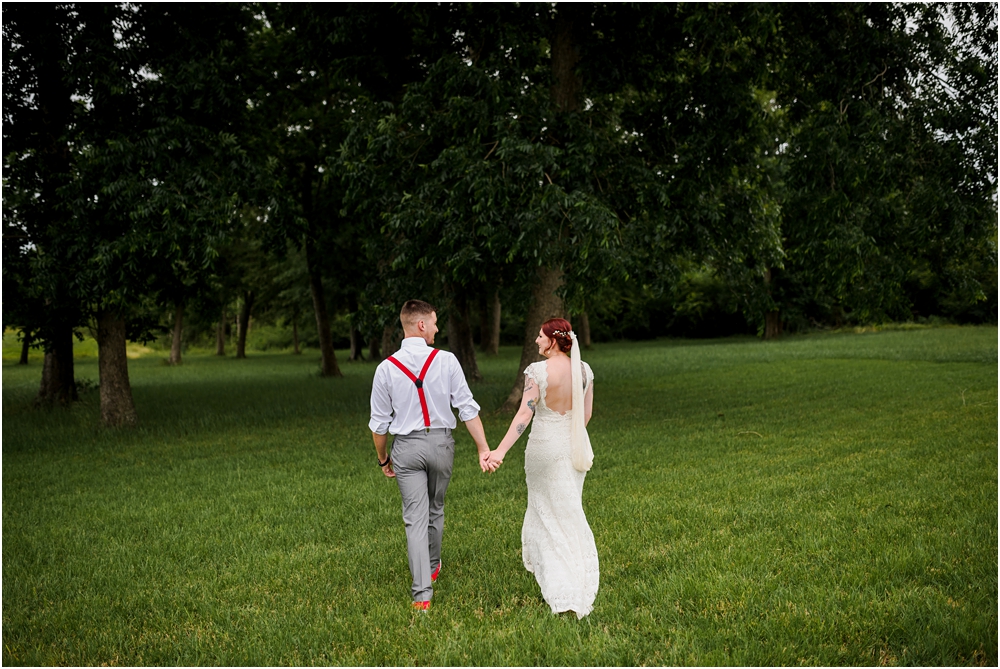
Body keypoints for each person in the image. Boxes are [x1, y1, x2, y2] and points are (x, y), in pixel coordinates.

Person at [369, 300, 495, 611]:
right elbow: (467, 408)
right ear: (421, 325)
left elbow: (379, 425)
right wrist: (482, 447)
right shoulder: (448, 361)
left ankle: (421, 596)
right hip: (441, 446)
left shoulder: (385, 368)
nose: (438, 329)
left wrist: (384, 459)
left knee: (414, 519)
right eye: (435, 323)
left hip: (406, 449)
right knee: (435, 509)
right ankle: (434, 564)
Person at [485, 317, 599, 618]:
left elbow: (525, 414)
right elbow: (585, 415)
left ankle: (561, 583)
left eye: (539, 336)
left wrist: (499, 450)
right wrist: (569, 436)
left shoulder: (537, 371)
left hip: (544, 449)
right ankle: (576, 570)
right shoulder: (585, 371)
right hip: (573, 448)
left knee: (546, 510)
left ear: (552, 340)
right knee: (569, 509)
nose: (536, 341)